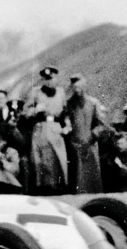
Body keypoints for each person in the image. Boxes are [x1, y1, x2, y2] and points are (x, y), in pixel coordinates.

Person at [23, 66, 69, 195]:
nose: (49, 81)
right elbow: (26, 111)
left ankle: (61, 185)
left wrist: (66, 126)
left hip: (56, 127)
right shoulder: (35, 92)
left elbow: (65, 112)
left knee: (59, 157)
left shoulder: (61, 92)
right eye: (46, 79)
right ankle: (45, 187)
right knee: (43, 159)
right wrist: (35, 109)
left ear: (56, 79)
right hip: (41, 127)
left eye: (51, 78)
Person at [63, 74, 104, 194]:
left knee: (93, 176)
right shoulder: (69, 104)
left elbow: (101, 124)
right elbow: (66, 123)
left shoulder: (93, 103)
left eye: (80, 87)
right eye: (75, 88)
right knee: (78, 177)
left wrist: (93, 135)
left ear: (84, 87)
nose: (77, 90)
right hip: (75, 144)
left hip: (91, 143)